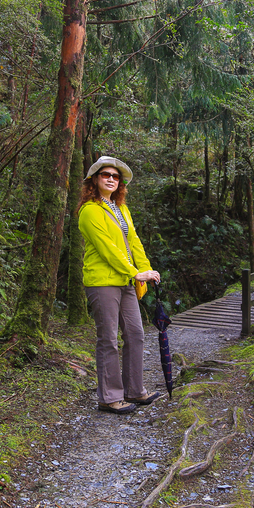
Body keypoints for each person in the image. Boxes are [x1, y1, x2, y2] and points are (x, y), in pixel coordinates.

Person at [78, 156, 162, 414]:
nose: (112, 179)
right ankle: (109, 397)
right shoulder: (90, 210)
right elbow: (107, 249)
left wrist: (145, 269)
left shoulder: (120, 208)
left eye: (116, 176)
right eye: (106, 175)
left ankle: (135, 391)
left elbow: (133, 241)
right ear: (95, 179)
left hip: (125, 280)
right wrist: (135, 273)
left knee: (136, 334)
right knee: (108, 339)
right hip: (103, 282)